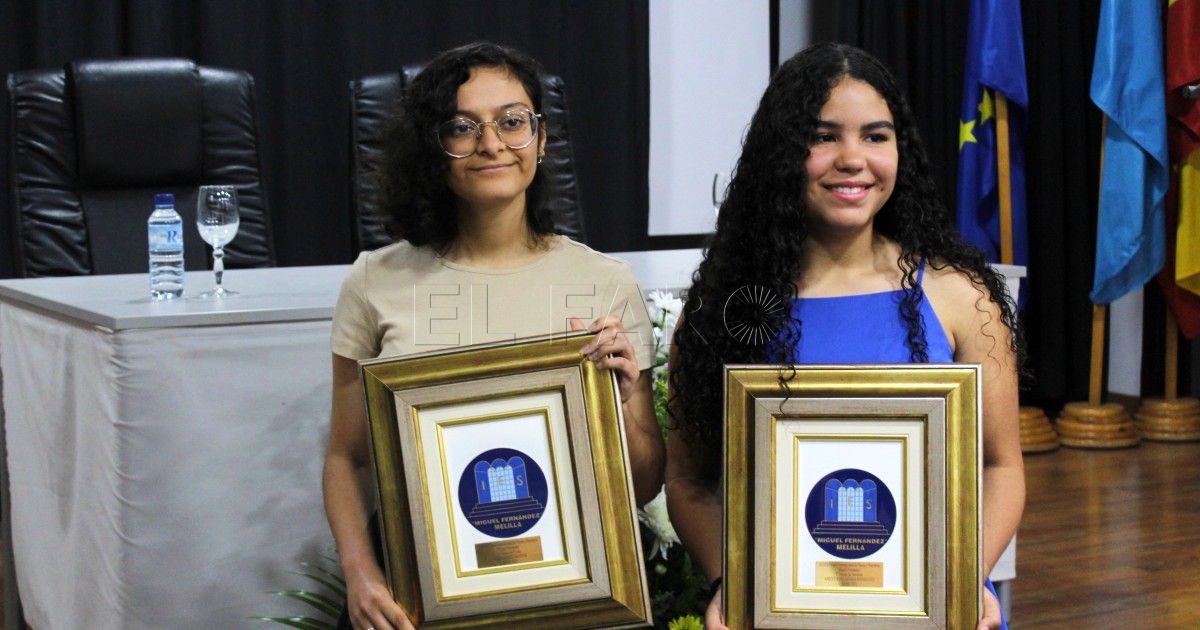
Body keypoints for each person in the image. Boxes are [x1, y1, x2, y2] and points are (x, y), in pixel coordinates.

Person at [665, 42, 1024, 630]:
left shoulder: (960, 296)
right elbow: (690, 481)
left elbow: (1001, 467)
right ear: (783, 152)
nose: (853, 158)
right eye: (824, 136)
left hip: (933, 607)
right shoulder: (724, 308)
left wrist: (968, 574)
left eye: (876, 136)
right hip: (780, 610)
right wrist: (731, 583)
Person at [323, 42, 664, 630]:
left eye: (513, 121)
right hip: (421, 598)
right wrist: (362, 575)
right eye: (463, 127)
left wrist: (628, 400)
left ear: (542, 136)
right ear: (434, 146)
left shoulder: (605, 283)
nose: (492, 143)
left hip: (569, 594)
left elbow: (638, 484)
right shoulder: (374, 282)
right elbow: (347, 460)